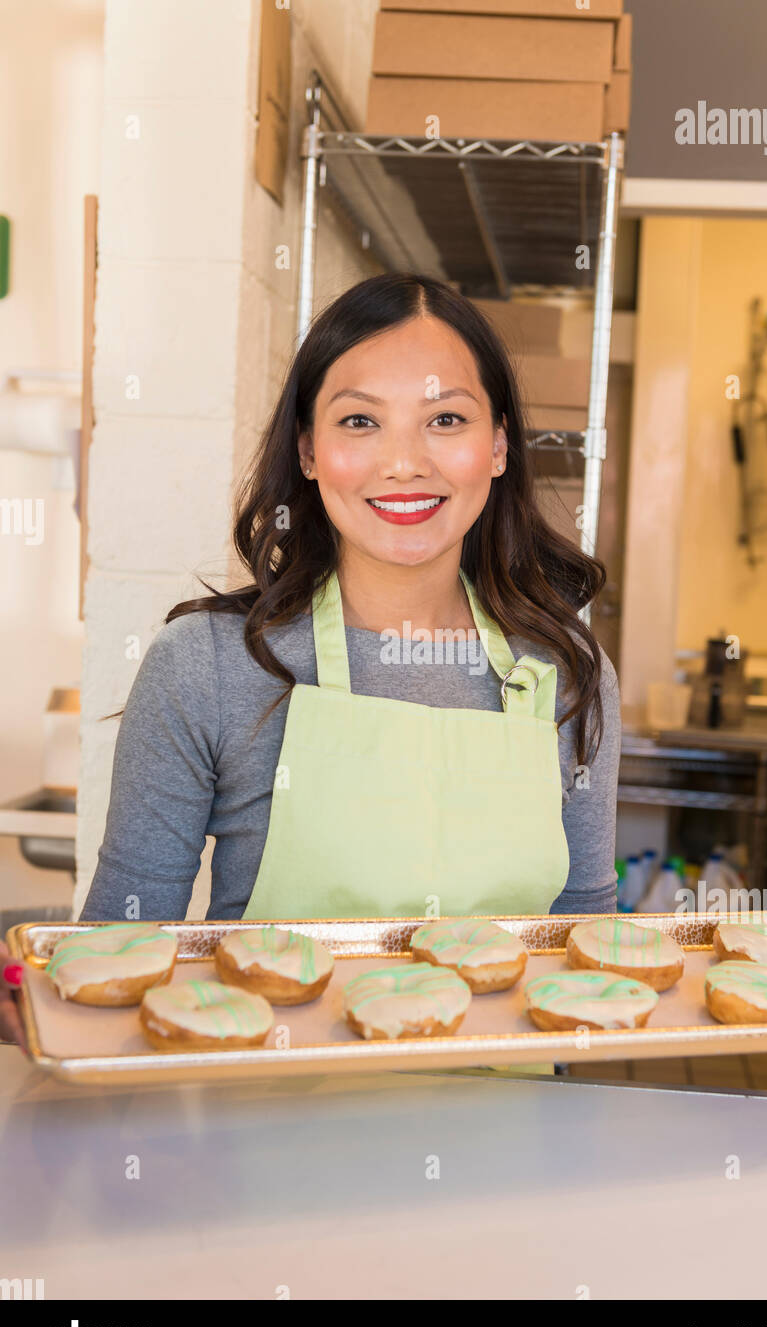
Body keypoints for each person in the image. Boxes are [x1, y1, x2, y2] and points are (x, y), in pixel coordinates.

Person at [0, 272, 620, 1042]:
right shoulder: (210, 666)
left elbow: (584, 951)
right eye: (360, 421)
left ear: (496, 446)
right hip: (258, 1129)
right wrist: (50, 1012)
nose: (403, 462)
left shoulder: (567, 673)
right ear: (308, 450)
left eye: (445, 419)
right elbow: (120, 952)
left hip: (508, 1131)